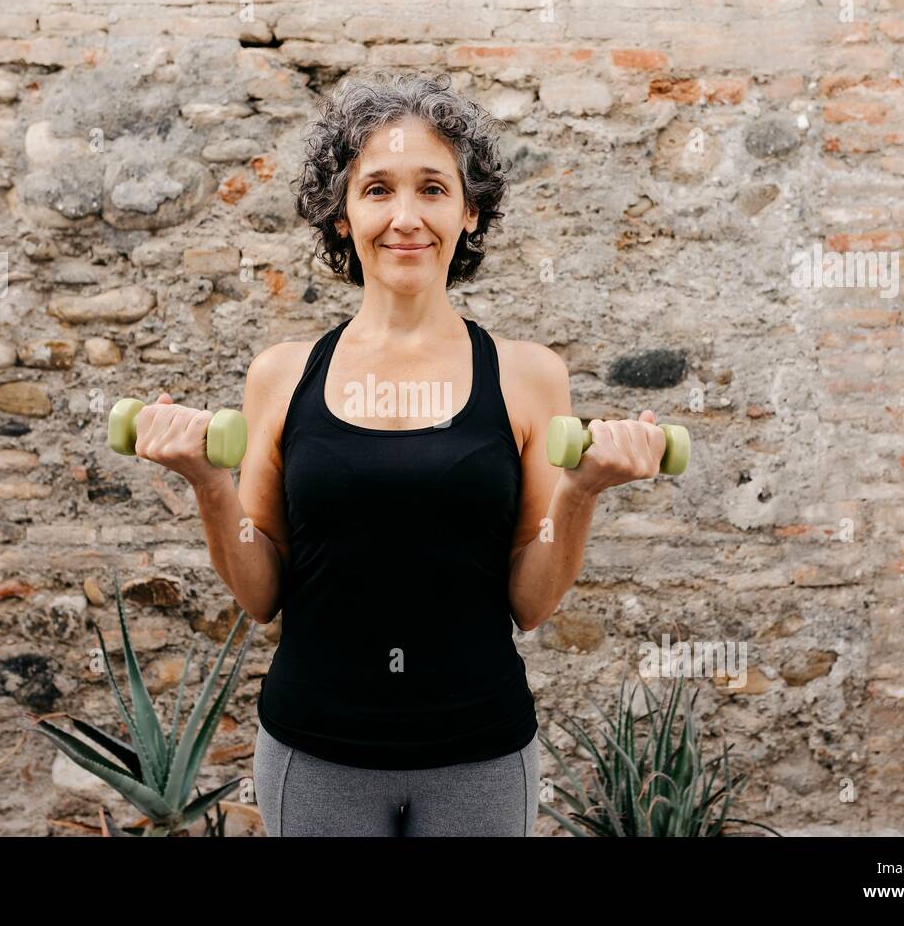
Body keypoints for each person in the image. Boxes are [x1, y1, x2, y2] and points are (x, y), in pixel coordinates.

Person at [131, 71, 667, 836]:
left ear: (469, 210)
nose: (406, 217)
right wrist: (207, 484)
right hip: (315, 755)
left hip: (479, 755)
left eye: (433, 189)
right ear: (343, 216)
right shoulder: (282, 375)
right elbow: (260, 595)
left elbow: (532, 603)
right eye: (377, 189)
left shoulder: (529, 375)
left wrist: (579, 494)